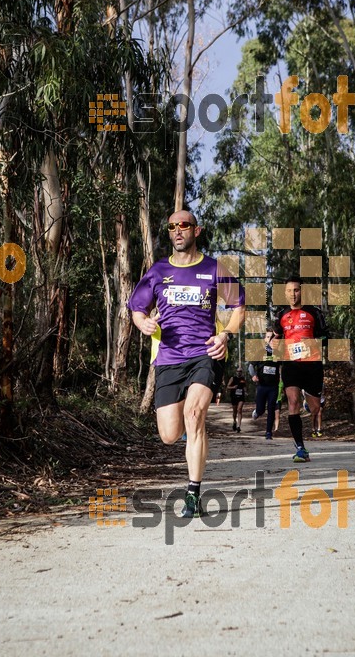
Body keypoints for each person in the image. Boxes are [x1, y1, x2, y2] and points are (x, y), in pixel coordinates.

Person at [128, 210, 245, 517]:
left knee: (194, 414)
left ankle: (193, 494)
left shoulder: (214, 268)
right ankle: (193, 427)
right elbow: (137, 309)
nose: (177, 231)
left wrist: (227, 335)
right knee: (169, 434)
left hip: (205, 353)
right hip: (169, 358)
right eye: (172, 227)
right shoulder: (158, 271)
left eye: (183, 225)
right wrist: (143, 324)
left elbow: (239, 308)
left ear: (197, 230)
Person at [273, 275, 329, 463]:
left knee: (314, 409)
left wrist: (313, 342)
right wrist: (272, 342)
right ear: (285, 293)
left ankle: (310, 402)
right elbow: (274, 337)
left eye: (296, 290)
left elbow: (326, 338)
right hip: (291, 364)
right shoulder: (281, 314)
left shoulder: (314, 312)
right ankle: (300, 448)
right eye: (289, 290)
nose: (293, 294)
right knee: (292, 402)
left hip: (312, 365)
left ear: (302, 291)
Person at [249, 326, 281, 440]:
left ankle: (268, 432)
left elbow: (284, 367)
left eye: (272, 337)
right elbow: (251, 365)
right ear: (265, 339)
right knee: (261, 409)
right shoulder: (260, 352)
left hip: (273, 386)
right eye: (268, 337)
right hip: (262, 386)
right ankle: (257, 411)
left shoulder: (278, 353)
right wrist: (253, 375)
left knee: (271, 409)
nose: (270, 339)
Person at [225, 367, 247, 432]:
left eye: (240, 371)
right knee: (235, 411)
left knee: (239, 409)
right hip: (234, 396)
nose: (239, 372)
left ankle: (238, 426)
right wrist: (233, 387)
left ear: (241, 372)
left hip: (241, 397)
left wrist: (245, 391)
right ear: (236, 372)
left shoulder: (243, 379)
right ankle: (234, 421)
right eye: (238, 371)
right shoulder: (233, 378)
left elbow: (245, 387)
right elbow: (228, 386)